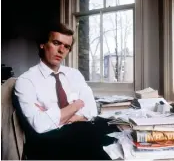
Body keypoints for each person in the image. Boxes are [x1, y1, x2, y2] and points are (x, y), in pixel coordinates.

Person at [14, 22, 117, 160]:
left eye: (67, 46)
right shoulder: (26, 81)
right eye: (56, 43)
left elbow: (92, 110)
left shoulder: (74, 74)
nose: (62, 50)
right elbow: (39, 125)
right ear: (43, 44)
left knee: (111, 128)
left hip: (79, 134)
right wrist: (76, 105)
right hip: (48, 143)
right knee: (92, 136)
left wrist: (57, 117)